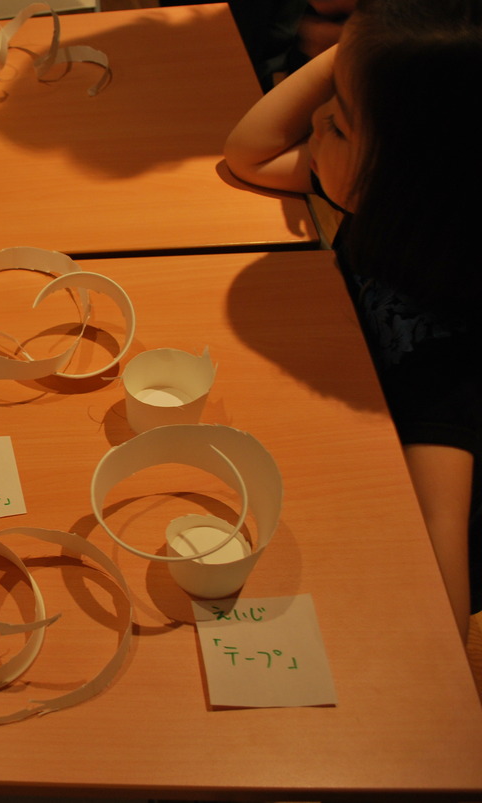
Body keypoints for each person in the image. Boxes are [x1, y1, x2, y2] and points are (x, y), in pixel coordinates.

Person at [223, 0, 482, 639]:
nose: (313, 120)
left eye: (337, 124)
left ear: (405, 175)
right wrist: (364, 53)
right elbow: (248, 152)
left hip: (376, 514)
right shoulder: (410, 211)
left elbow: (442, 577)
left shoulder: (447, 367)